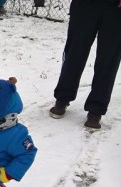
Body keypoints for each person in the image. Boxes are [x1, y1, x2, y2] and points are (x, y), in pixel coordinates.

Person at [49, 0, 121, 130]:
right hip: (84, 4)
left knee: (109, 59)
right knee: (74, 52)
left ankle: (96, 109)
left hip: (116, 9)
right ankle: (63, 97)